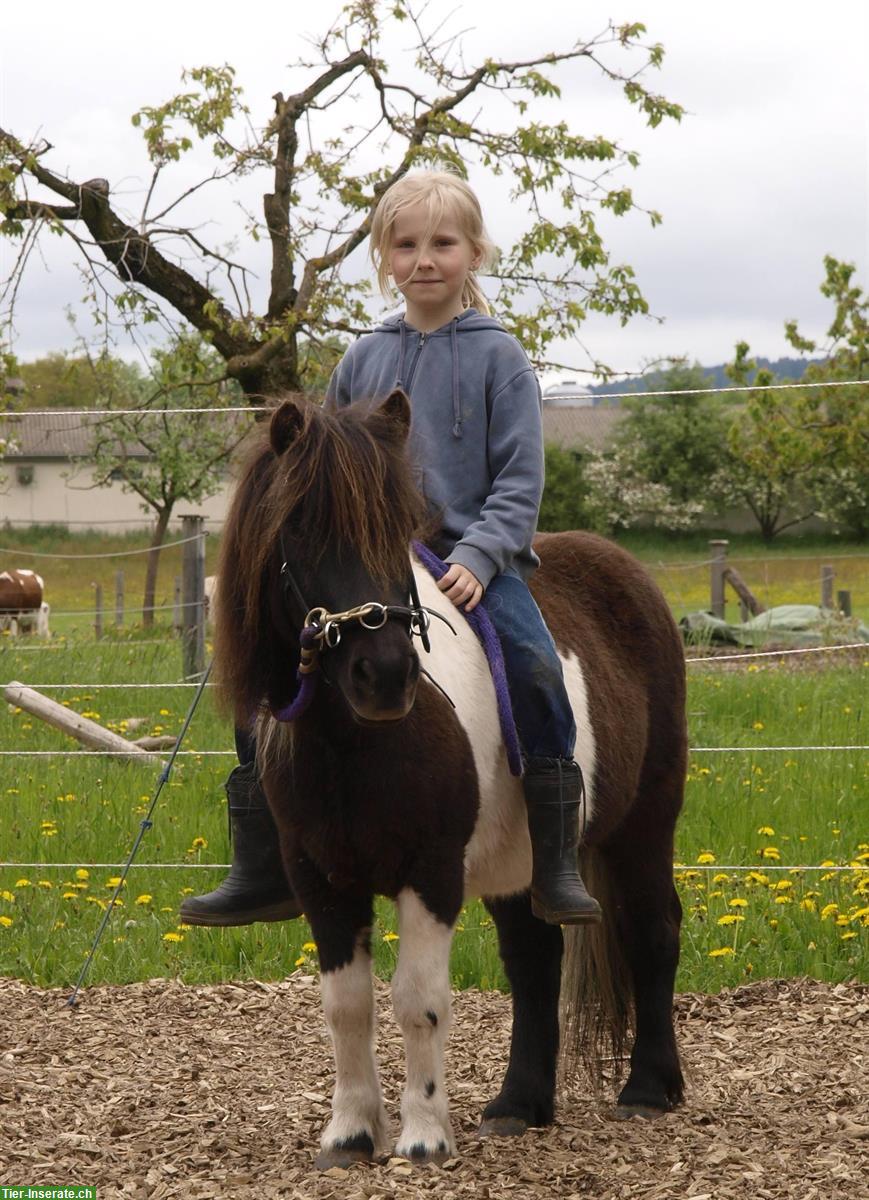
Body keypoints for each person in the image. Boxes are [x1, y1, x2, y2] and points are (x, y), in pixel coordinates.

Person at [181, 169, 600, 928]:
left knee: (536, 666)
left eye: (443, 243)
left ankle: (554, 856)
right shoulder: (362, 358)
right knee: (265, 671)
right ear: (384, 259)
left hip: (475, 558)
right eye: (405, 245)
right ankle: (260, 862)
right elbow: (328, 466)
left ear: (475, 252)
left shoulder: (500, 358)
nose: (424, 260)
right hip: (372, 557)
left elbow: (519, 480)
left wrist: (480, 556)